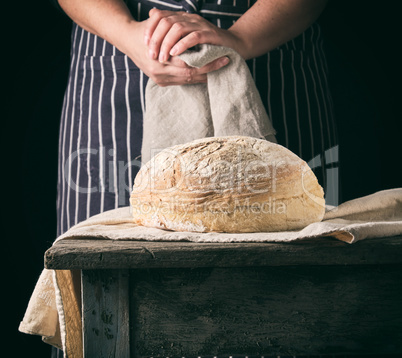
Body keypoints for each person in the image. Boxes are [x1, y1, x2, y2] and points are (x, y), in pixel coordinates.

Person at [52, 0, 338, 356]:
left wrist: (241, 38)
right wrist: (127, 32)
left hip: (273, 59)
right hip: (117, 69)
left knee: (295, 299)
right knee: (101, 294)